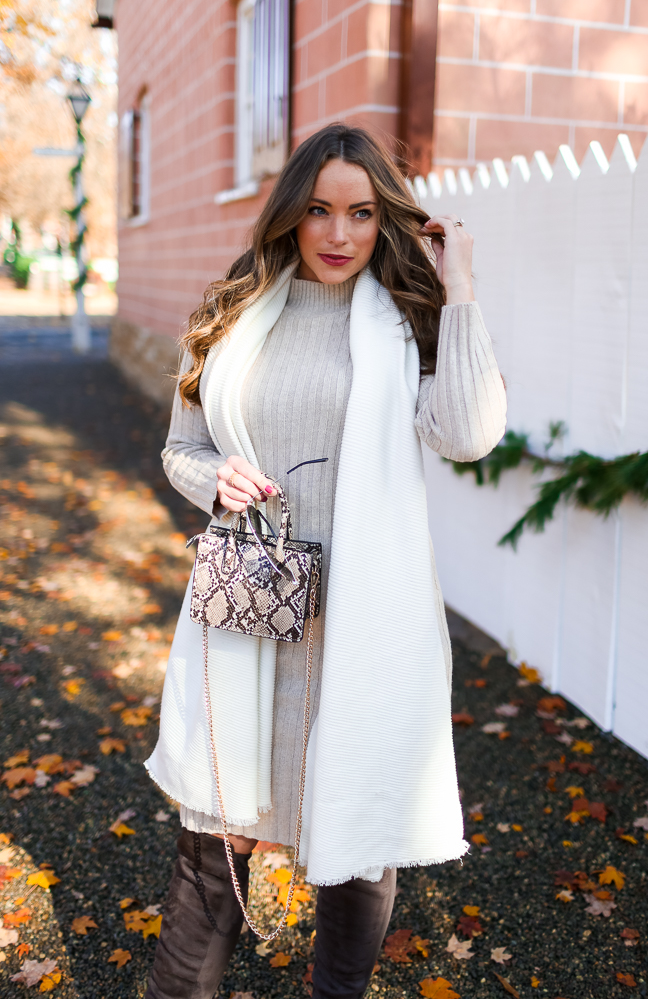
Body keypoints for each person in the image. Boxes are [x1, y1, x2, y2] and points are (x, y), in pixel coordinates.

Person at [144, 123, 506, 999]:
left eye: (360, 212)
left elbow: (467, 433)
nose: (338, 234)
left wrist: (458, 289)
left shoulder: (407, 323)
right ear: (289, 215)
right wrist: (215, 478)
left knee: (356, 841)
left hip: (361, 619)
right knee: (213, 841)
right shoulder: (230, 314)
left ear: (385, 220)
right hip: (251, 608)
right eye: (318, 210)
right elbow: (180, 449)